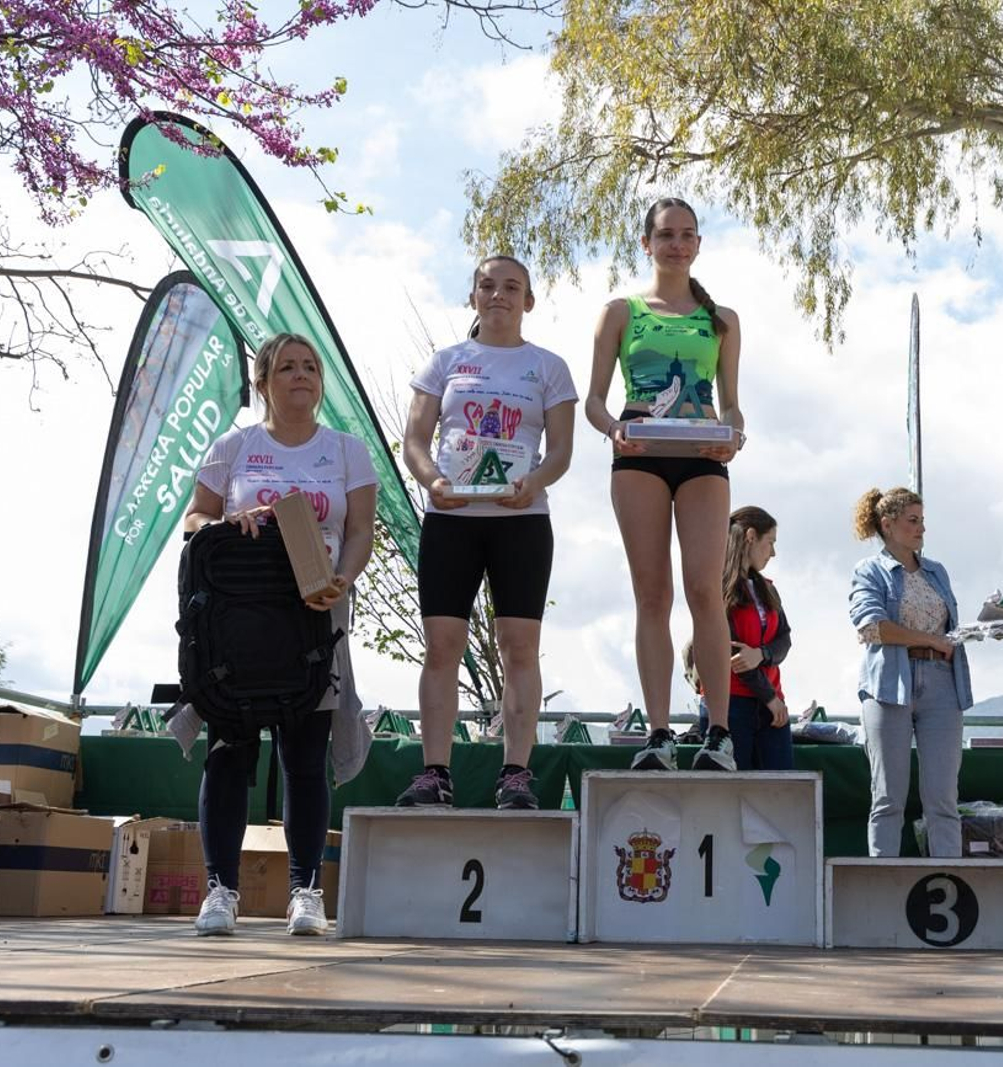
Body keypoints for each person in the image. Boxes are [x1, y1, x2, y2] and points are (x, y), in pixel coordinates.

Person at [183, 332, 379, 937]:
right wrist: (224, 520)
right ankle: (221, 889)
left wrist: (342, 580)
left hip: (314, 614)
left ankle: (306, 891)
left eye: (311, 367)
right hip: (239, 621)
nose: (302, 375)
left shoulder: (347, 451)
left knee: (303, 754)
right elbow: (193, 519)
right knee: (230, 752)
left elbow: (360, 532)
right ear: (264, 380)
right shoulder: (233, 446)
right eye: (288, 367)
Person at [396, 255, 577, 811]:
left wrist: (534, 481)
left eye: (511, 287)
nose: (498, 295)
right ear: (473, 296)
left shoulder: (548, 367)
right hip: (452, 520)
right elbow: (416, 441)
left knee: (520, 648)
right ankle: (435, 773)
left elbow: (562, 453)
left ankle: (516, 774)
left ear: (529, 300)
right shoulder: (446, 361)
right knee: (441, 647)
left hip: (521, 521)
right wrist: (431, 480)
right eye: (487, 286)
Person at [585, 197, 744, 772]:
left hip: (702, 457)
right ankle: (658, 732)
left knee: (705, 590)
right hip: (641, 458)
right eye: (666, 235)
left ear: (699, 244)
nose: (677, 244)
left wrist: (735, 436)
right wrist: (614, 430)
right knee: (652, 595)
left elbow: (732, 406)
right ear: (647, 244)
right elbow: (595, 402)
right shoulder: (620, 312)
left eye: (687, 235)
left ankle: (718, 732)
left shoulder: (722, 318)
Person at [848, 487, 973, 858]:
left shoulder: (937, 571)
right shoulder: (869, 570)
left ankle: (949, 875)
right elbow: (870, 627)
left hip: (942, 684)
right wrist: (932, 641)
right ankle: (882, 881)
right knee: (888, 796)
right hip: (888, 683)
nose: (921, 529)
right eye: (913, 521)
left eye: (922, 521)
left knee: (943, 798)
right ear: (888, 525)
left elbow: (949, 631)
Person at [723, 506, 794, 770]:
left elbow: (784, 639)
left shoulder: (769, 588)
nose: (773, 552)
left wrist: (761, 654)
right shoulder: (716, 586)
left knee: (781, 790)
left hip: (773, 706)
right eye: (770, 542)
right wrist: (769, 697)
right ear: (751, 536)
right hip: (732, 704)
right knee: (731, 795)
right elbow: (733, 654)